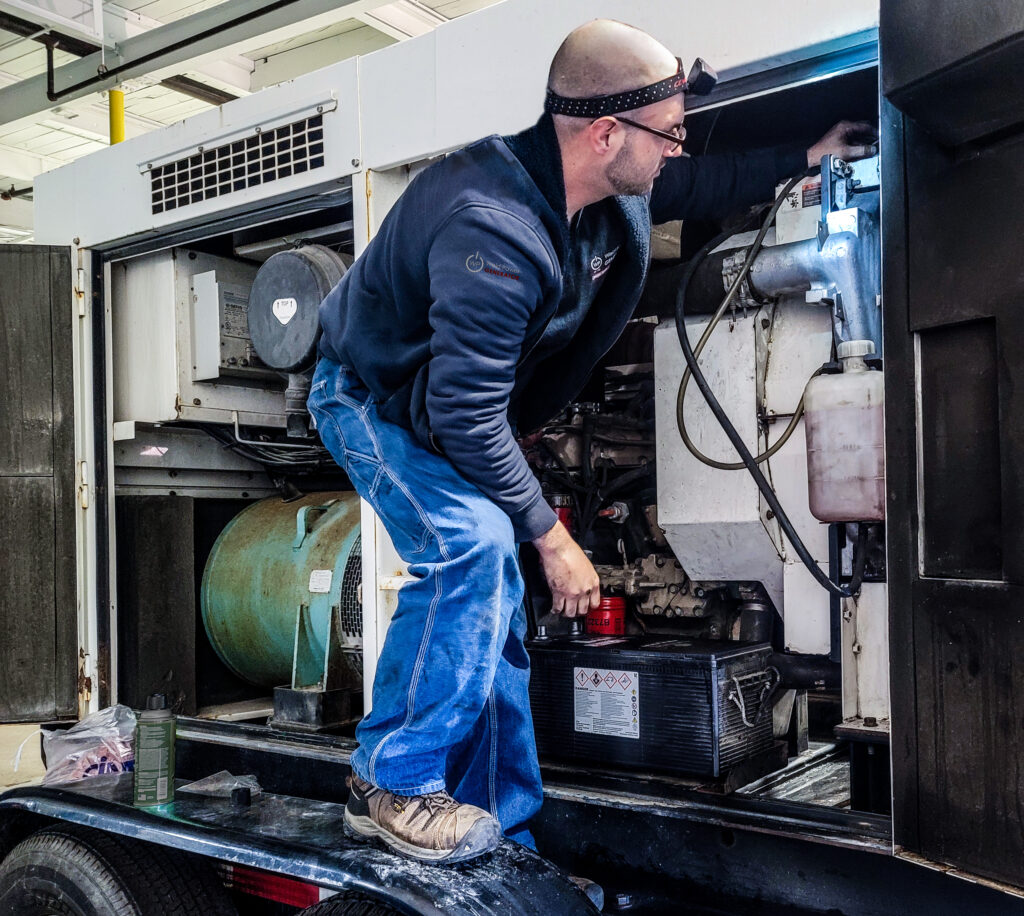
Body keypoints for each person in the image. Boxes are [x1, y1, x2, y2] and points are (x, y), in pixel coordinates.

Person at [309, 19, 876, 865]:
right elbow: (464, 416)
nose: (676, 148)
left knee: (499, 595)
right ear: (606, 133)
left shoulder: (606, 190)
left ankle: (498, 816)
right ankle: (387, 781)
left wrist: (804, 156)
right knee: (473, 547)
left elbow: (696, 183)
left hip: (457, 407)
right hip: (375, 402)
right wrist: (554, 535)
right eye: (669, 132)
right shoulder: (492, 227)